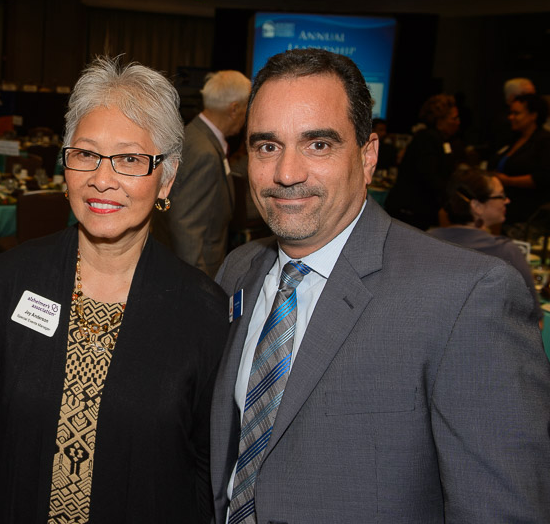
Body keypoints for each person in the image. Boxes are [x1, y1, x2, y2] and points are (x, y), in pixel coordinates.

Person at [211, 48, 550, 523]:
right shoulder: (238, 270)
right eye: (267, 146)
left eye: (318, 144)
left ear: (368, 156)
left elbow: (502, 510)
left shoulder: (467, 297)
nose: (286, 173)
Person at [0, 57, 229, 523]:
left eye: (130, 159)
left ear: (167, 178)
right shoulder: (12, 279)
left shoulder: (203, 311)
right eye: (86, 154)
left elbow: (204, 471)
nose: (102, 179)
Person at [153, 69, 250, 276]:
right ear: (234, 108)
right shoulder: (205, 152)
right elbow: (187, 227)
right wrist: (198, 284)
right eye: (246, 108)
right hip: (197, 269)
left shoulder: (193, 134)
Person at [429, 167, 540, 320]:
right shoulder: (505, 252)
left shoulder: (426, 239)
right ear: (477, 206)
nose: (507, 200)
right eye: (501, 196)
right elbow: (533, 320)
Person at [384, 93, 462, 229]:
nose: (458, 122)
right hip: (411, 211)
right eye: (454, 118)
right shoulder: (427, 139)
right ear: (440, 120)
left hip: (420, 210)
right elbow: (430, 176)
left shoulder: (442, 140)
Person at [492, 92, 550, 229]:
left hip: (527, 213)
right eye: (511, 113)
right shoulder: (514, 138)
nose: (511, 117)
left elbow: (543, 177)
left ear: (533, 115)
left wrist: (508, 180)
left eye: (516, 113)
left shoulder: (544, 141)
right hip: (506, 209)